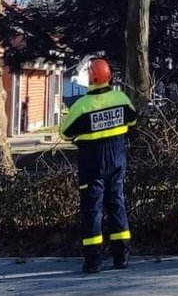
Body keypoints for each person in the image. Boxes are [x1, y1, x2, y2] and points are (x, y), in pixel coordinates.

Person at [59, 58, 138, 274]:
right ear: (109, 76)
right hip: (116, 159)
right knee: (117, 203)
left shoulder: (82, 106)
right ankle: (121, 255)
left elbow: (65, 132)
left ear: (91, 77)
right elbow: (132, 120)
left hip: (92, 162)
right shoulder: (120, 98)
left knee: (92, 209)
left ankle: (93, 260)